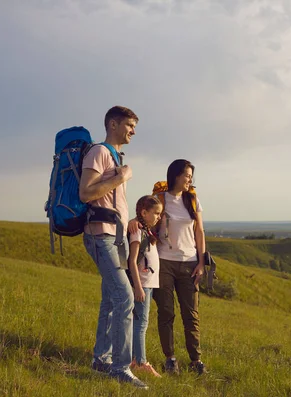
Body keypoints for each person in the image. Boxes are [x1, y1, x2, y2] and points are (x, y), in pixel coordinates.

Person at [79, 106, 148, 389]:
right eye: (129, 125)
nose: (133, 131)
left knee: (110, 300)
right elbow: (86, 193)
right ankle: (120, 368)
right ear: (113, 124)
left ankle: (101, 359)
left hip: (113, 236)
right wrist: (122, 177)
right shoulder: (99, 152)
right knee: (125, 297)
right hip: (100, 236)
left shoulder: (114, 156)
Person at [129, 159, 207, 375]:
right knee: (165, 312)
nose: (190, 180)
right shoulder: (161, 198)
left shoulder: (192, 200)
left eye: (191, 176)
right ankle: (170, 359)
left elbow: (199, 231)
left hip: (190, 262)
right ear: (175, 175)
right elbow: (146, 214)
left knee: (191, 314)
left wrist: (201, 262)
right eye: (187, 175)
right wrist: (132, 222)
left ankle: (196, 360)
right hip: (164, 263)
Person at [128, 195, 162, 377]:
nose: (158, 217)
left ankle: (135, 359)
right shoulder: (137, 231)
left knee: (140, 322)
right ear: (144, 212)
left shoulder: (147, 231)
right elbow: (132, 261)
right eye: (156, 213)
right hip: (142, 285)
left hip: (148, 284)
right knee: (141, 323)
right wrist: (138, 286)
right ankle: (140, 362)